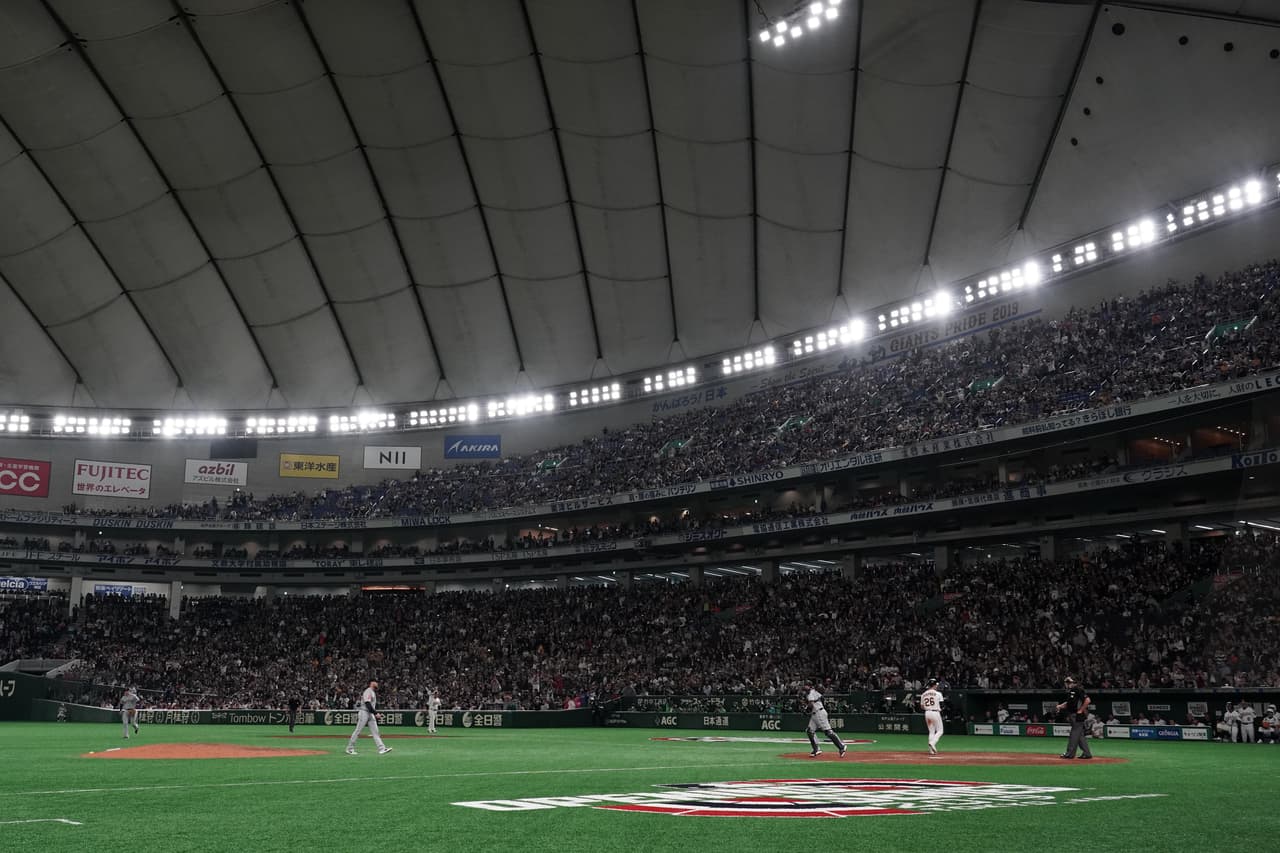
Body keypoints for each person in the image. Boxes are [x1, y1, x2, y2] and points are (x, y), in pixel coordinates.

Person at [346, 680, 392, 756]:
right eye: (375, 682)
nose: (377, 684)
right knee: (358, 730)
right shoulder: (368, 691)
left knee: (375, 732)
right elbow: (367, 703)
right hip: (364, 712)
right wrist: (376, 713)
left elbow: (370, 705)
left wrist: (374, 713)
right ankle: (349, 748)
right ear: (371, 683)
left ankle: (382, 749)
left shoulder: (373, 692)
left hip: (370, 713)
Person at [803, 686, 847, 758]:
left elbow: (811, 704)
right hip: (815, 714)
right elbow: (821, 698)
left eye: (805, 689)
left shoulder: (811, 693)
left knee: (828, 732)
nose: (804, 691)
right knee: (809, 731)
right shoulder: (814, 692)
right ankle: (816, 749)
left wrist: (806, 709)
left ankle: (841, 746)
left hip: (819, 713)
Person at [1055, 676, 1093, 759]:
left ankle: (1069, 754)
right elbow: (1069, 703)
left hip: (1077, 716)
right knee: (1080, 735)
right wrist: (1060, 706)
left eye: (1067, 682)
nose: (1066, 684)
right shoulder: (1071, 691)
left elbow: (1088, 700)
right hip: (1073, 715)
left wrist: (1080, 710)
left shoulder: (1078, 689)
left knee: (1074, 734)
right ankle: (1087, 753)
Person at [919, 677, 944, 755]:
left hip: (927, 713)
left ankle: (931, 750)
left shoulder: (923, 694)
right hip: (935, 712)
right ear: (934, 685)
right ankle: (933, 743)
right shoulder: (938, 693)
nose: (937, 686)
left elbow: (922, 707)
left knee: (931, 731)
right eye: (936, 685)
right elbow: (942, 704)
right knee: (940, 731)